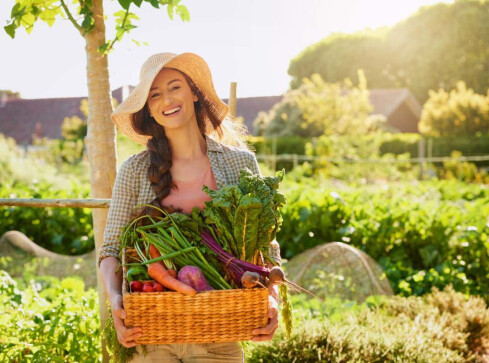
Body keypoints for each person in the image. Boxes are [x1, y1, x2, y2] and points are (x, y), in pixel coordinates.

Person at [98, 52, 282, 362]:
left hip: (219, 336)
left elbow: (265, 243)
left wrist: (272, 298)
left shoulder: (239, 163)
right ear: (149, 110)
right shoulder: (134, 170)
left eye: (175, 87)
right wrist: (116, 299)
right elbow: (111, 249)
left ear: (194, 92)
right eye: (154, 94)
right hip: (151, 337)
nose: (166, 99)